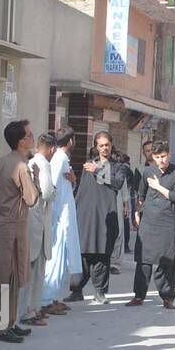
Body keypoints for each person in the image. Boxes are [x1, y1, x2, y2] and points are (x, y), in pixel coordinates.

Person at [0, 119, 40, 343]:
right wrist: (36, 176)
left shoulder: (3, 161)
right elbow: (31, 198)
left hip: (7, 222)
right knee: (7, 276)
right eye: (29, 135)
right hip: (14, 223)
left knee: (12, 276)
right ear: (21, 141)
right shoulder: (21, 166)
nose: (32, 138)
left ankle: (9, 322)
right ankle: (1, 327)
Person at [127, 140, 175, 309]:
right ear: (153, 156)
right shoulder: (148, 172)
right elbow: (141, 195)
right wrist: (137, 212)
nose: (161, 160)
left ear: (169, 154)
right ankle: (139, 296)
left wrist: (158, 187)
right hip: (149, 222)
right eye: (158, 157)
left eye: (164, 156)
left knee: (167, 261)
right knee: (143, 260)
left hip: (167, 222)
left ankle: (167, 297)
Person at [69, 131, 122, 304]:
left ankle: (100, 292)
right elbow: (81, 192)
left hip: (106, 216)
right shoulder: (88, 166)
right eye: (101, 145)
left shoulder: (117, 166)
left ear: (111, 145)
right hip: (86, 216)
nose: (104, 148)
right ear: (96, 147)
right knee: (83, 253)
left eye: (107, 144)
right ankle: (76, 290)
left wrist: (98, 170)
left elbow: (117, 183)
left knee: (102, 253)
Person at [42, 128, 82, 314]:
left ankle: (51, 297)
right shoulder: (59, 159)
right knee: (55, 260)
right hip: (58, 219)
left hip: (63, 216)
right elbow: (52, 188)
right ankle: (45, 300)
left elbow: (64, 187)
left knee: (62, 260)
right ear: (71, 141)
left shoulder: (62, 158)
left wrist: (73, 181)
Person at [21, 132, 57, 327]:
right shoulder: (43, 163)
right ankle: (29, 311)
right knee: (34, 272)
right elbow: (48, 191)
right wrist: (54, 192)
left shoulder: (34, 161)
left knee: (34, 271)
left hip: (34, 222)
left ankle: (31, 309)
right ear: (52, 148)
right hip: (37, 224)